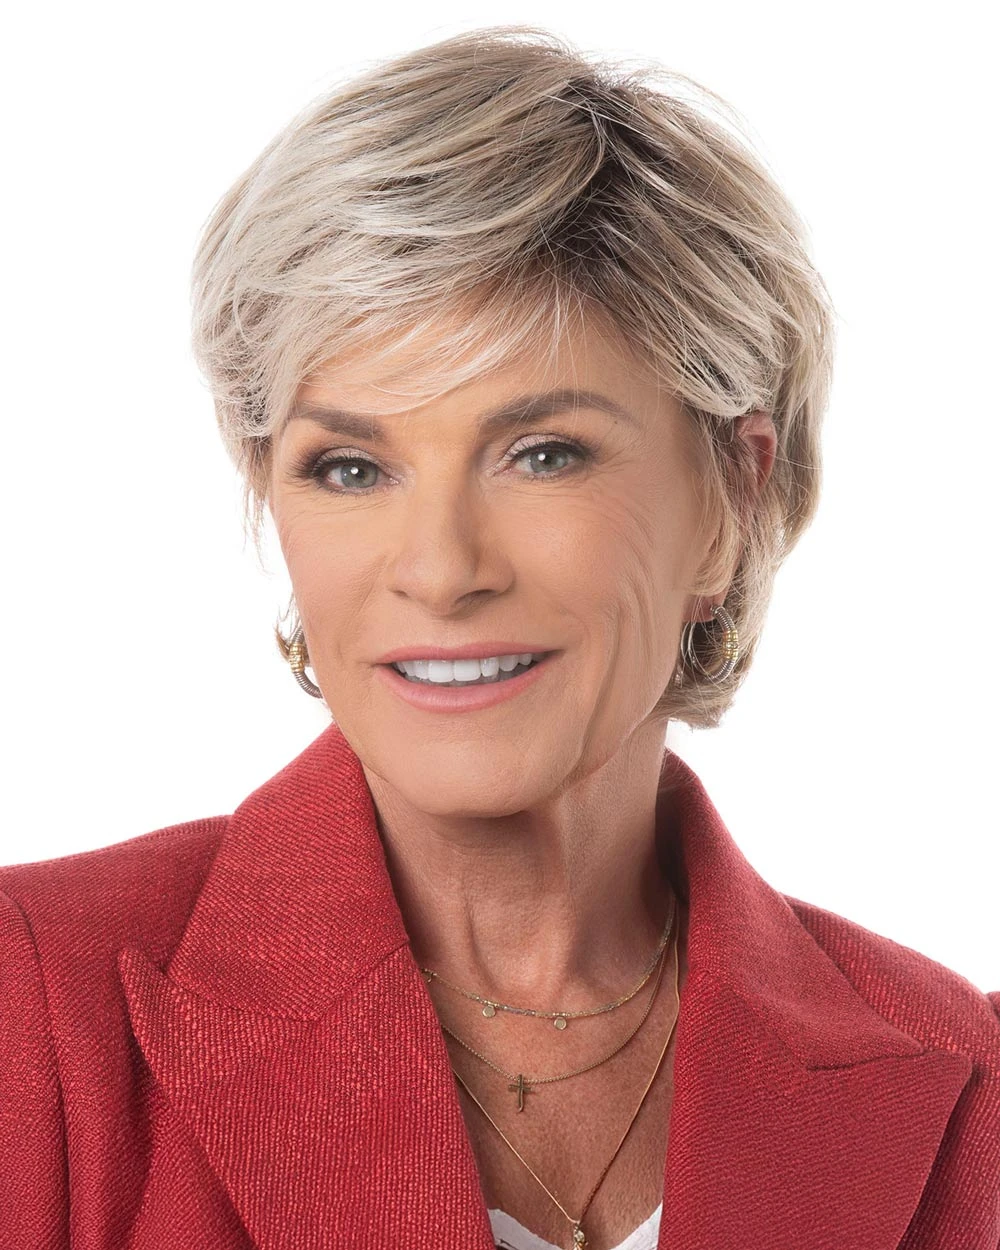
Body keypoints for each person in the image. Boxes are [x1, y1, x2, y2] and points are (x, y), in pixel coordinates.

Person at [1, 23, 997, 1250]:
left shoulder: (966, 1086)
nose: (439, 568)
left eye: (542, 453)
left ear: (731, 501)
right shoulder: (33, 1011)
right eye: (350, 466)